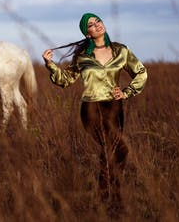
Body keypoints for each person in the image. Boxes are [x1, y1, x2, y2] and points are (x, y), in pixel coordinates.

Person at [42, 12, 147, 207]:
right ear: (87, 34)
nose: (97, 25)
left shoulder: (120, 50)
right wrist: (50, 65)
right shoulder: (83, 56)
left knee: (114, 152)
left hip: (115, 108)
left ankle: (110, 199)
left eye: (98, 20)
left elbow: (140, 72)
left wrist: (126, 92)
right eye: (91, 24)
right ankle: (108, 198)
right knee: (115, 148)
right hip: (91, 108)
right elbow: (66, 80)